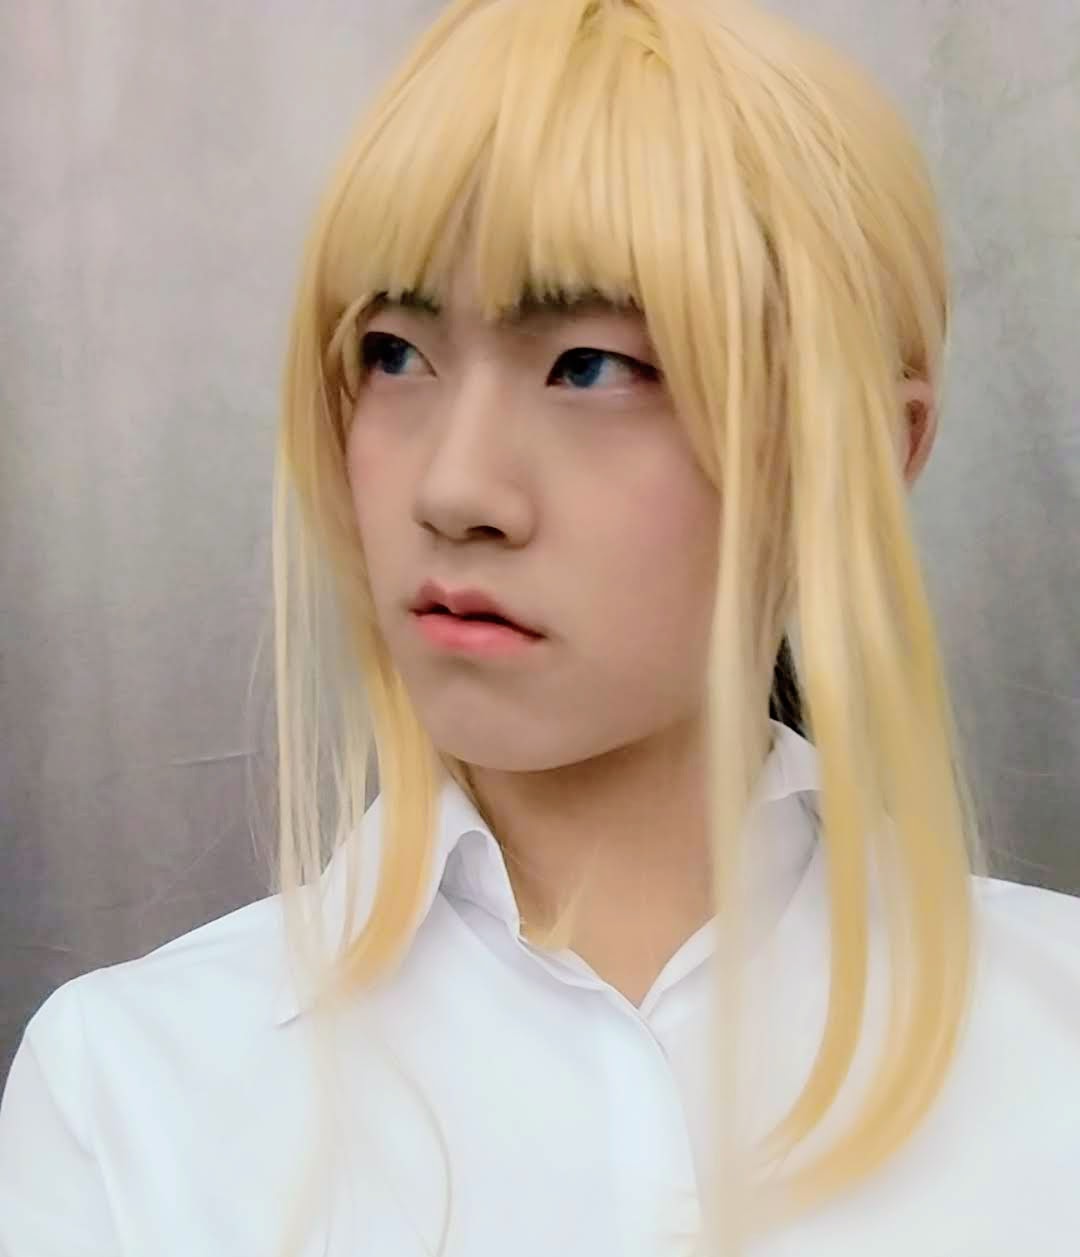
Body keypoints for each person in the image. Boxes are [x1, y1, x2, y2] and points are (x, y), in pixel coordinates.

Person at [2, 1, 1078, 1254]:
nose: (454, 489)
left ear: (861, 450)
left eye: (592, 366)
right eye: (395, 353)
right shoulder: (134, 1093)